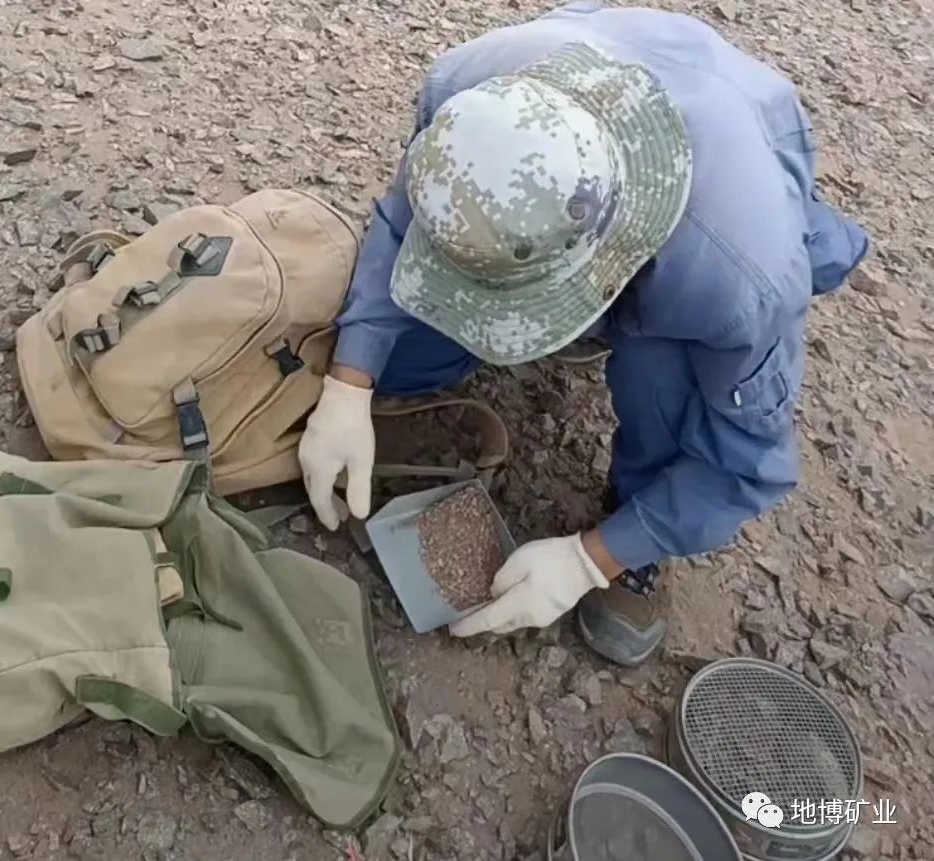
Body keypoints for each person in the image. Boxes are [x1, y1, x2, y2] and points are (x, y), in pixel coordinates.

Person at [298, 2, 869, 665]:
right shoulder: (465, 95)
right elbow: (406, 219)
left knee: (660, 377)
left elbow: (743, 464)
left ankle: (636, 514)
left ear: (608, 258)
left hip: (733, 137)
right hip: (605, 41)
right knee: (401, 355)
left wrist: (593, 558)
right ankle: (561, 323)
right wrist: (351, 380)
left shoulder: (736, 279)